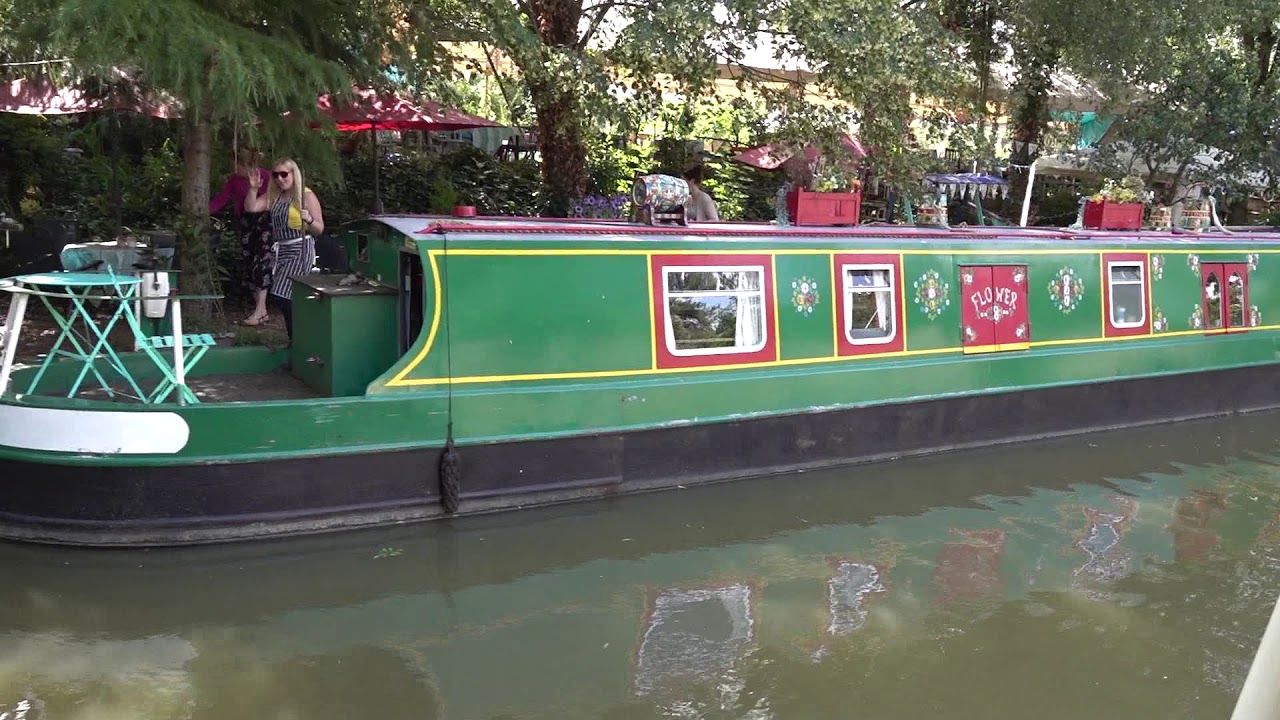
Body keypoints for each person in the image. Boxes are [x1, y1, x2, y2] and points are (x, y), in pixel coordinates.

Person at [245, 158, 324, 338]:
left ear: (294, 174)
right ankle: (296, 339)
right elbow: (251, 207)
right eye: (276, 175)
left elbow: (319, 229)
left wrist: (309, 220)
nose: (280, 179)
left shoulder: (307, 196)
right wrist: (253, 188)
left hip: (301, 248)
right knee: (286, 297)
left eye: (284, 174)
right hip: (281, 250)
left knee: (282, 294)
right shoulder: (276, 195)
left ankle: (300, 337)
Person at [211, 147, 273, 325]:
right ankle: (261, 309)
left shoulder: (265, 176)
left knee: (262, 263)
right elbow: (222, 198)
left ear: (246, 164)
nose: (233, 167)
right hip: (245, 223)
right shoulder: (234, 180)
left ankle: (260, 309)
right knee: (249, 264)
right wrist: (204, 211)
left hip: (264, 222)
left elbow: (274, 198)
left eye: (235, 164)